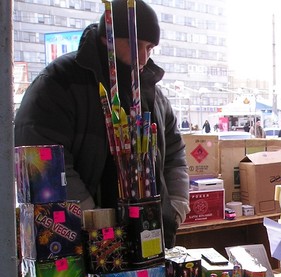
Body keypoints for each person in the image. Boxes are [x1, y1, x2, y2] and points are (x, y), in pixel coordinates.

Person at [14, 0, 190, 248]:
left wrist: (177, 205)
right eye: (133, 44)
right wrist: (93, 220)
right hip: (74, 242)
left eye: (149, 47)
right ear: (106, 38)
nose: (143, 57)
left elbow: (174, 152)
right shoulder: (59, 83)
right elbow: (42, 160)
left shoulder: (152, 94)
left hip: (146, 238)